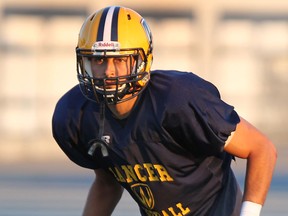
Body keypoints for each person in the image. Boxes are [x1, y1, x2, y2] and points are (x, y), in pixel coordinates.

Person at [52, 6, 277, 216]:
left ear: (142, 60)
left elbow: (261, 148)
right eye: (98, 60)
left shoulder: (178, 100)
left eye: (119, 59)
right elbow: (107, 183)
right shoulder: (76, 115)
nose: (109, 71)